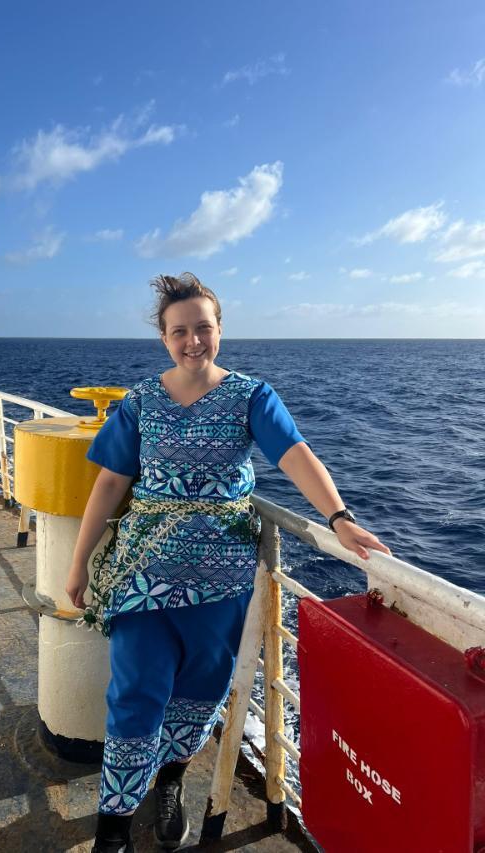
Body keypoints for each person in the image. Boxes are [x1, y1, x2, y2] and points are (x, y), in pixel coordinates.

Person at [66, 274, 390, 853]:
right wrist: (79, 562)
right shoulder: (140, 401)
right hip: (146, 571)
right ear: (164, 338)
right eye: (179, 331)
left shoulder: (250, 395)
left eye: (203, 328)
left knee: (200, 690)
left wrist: (339, 517)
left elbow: (294, 454)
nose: (193, 341)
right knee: (135, 691)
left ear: (220, 330)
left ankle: (168, 783)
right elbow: (110, 481)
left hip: (223, 579)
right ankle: (112, 828)